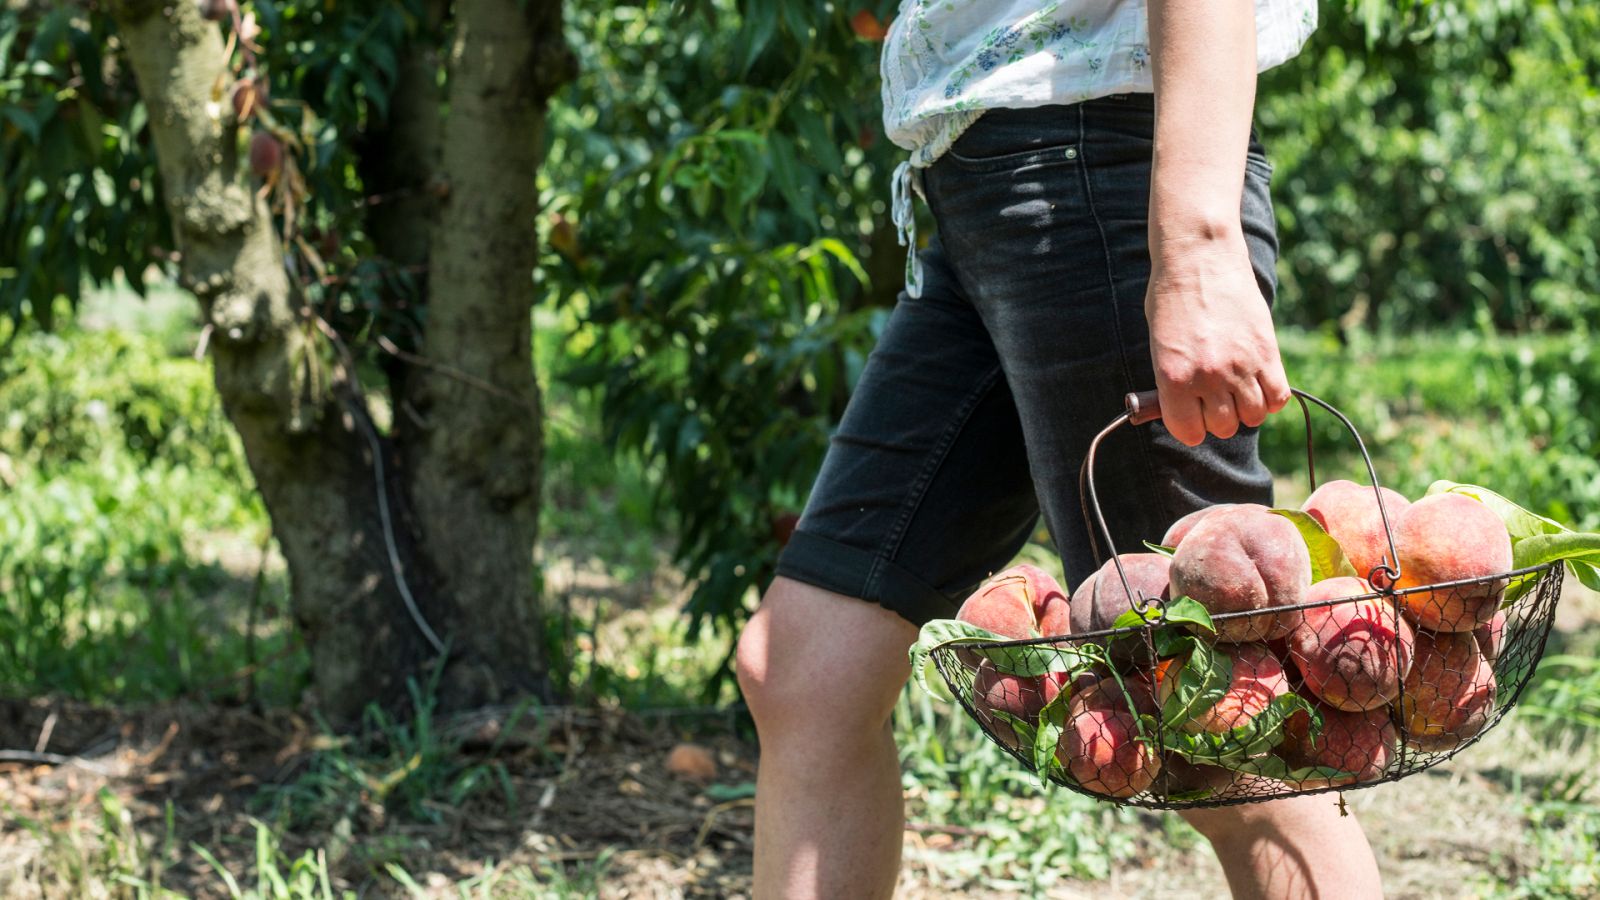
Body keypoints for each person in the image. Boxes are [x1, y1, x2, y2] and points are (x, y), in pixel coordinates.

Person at [736, 1, 1385, 898]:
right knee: (806, 669)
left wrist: (1196, 247)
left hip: (1095, 179)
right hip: (975, 203)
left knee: (1232, 731)